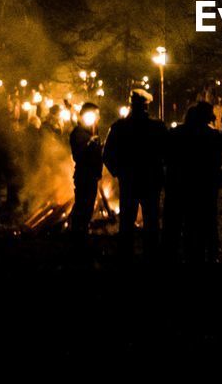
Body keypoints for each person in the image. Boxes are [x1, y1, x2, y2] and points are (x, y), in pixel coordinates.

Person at [102, 91, 168, 259]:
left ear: (132, 105)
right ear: (146, 106)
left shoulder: (119, 127)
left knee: (126, 222)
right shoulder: (157, 127)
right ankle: (151, 255)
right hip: (151, 180)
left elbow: (107, 154)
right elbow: (168, 152)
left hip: (129, 181)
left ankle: (125, 256)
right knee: (151, 221)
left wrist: (119, 172)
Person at [167, 102, 222, 265]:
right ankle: (209, 256)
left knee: (184, 223)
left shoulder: (177, 133)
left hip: (182, 185)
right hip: (205, 186)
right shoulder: (211, 135)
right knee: (208, 223)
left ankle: (181, 256)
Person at [68, 103, 103, 238]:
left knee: (88, 206)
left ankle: (82, 232)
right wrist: (90, 144)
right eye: (95, 114)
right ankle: (77, 233)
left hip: (92, 175)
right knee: (83, 205)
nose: (98, 118)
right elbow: (79, 155)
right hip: (84, 176)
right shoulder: (78, 133)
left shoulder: (92, 132)